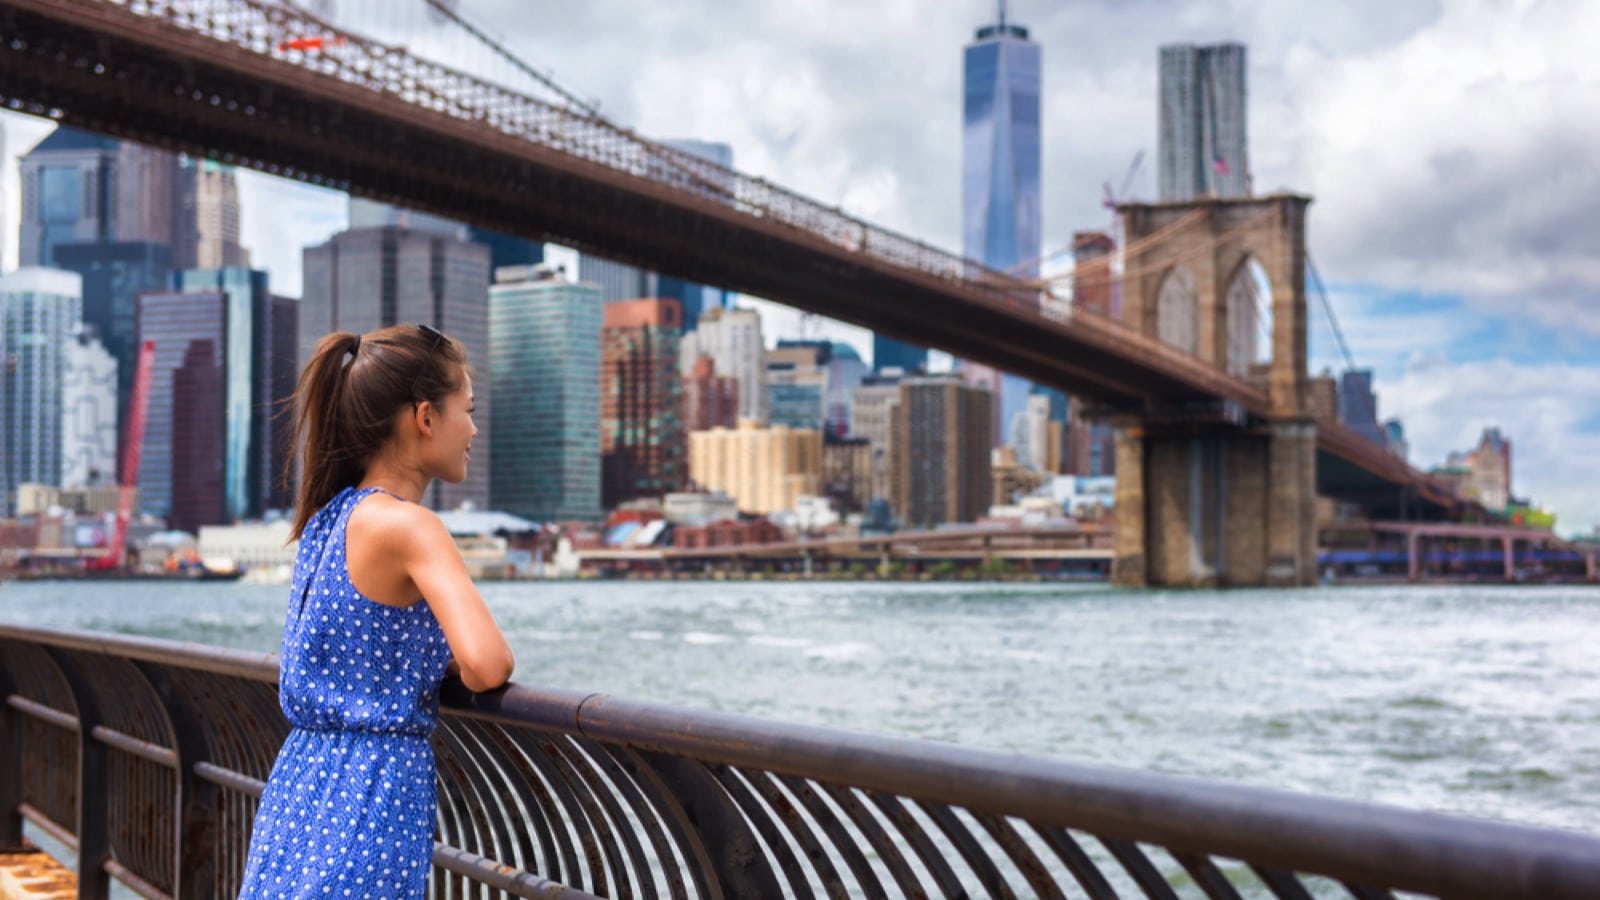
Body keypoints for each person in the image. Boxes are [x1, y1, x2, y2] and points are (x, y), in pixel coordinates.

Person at [239, 324, 515, 898]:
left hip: (300, 789)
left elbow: (361, 639)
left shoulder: (327, 520)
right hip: (371, 797)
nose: (475, 428)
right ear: (425, 418)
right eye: (467, 409)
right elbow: (488, 666)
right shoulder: (410, 526)